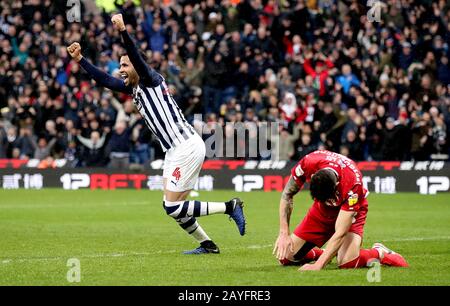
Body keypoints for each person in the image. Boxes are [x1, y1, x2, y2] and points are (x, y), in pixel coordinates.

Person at [66, 14, 246, 254]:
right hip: (175, 150)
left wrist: (123, 31)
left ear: (137, 66)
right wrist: (80, 60)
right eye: (120, 66)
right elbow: (106, 80)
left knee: (173, 207)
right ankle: (208, 244)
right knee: (170, 205)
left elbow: (138, 61)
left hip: (186, 146)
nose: (120, 70)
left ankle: (230, 206)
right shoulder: (135, 88)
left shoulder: (150, 79)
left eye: (124, 65)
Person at [273, 150, 408, 270]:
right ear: (313, 177)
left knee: (347, 262)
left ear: (337, 185)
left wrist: (318, 265)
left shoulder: (352, 183)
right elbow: (287, 194)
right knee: (286, 256)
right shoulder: (308, 163)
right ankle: (327, 252)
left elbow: (341, 232)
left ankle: (379, 252)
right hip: (321, 211)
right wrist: (284, 232)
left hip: (351, 210)